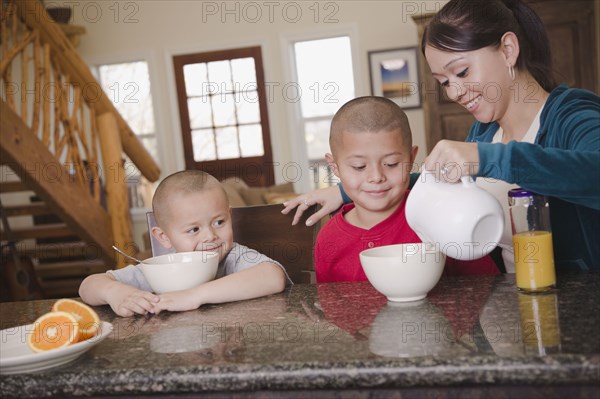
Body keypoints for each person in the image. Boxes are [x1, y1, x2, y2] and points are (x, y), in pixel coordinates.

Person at [283, 0, 599, 274]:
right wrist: (345, 193)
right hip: (506, 312)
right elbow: (438, 182)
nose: (455, 92)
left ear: (507, 50)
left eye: (461, 72)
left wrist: (487, 159)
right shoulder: (486, 132)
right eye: (444, 82)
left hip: (572, 312)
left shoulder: (570, 114)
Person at [312, 96, 498, 283]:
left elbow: (489, 288)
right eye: (359, 166)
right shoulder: (328, 240)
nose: (376, 177)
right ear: (334, 167)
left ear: (411, 159)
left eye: (391, 164)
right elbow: (332, 307)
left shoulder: (439, 216)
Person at [79, 170, 288, 317]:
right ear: (164, 237)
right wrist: (117, 293)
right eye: (194, 229)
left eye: (219, 221)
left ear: (229, 216)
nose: (210, 236)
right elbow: (88, 285)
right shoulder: (159, 271)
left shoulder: (234, 257)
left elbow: (273, 276)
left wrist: (193, 296)